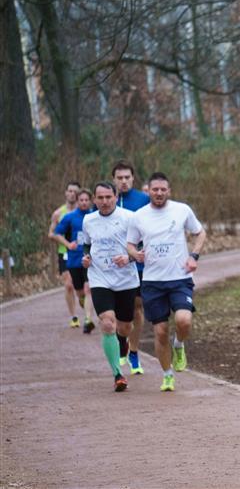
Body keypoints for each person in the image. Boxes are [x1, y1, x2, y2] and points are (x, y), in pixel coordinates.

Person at [126, 172, 206, 392]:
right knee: (160, 332)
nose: (159, 193)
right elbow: (130, 244)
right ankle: (167, 375)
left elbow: (200, 233)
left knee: (184, 321)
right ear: (149, 191)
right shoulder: (139, 216)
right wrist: (135, 254)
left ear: (169, 191)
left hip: (180, 278)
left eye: (163, 189)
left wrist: (194, 256)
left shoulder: (182, 210)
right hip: (153, 282)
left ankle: (179, 344)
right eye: (155, 189)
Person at [81, 182, 140, 392]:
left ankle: (122, 340)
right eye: (100, 198)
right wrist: (86, 257)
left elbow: (142, 245)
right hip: (100, 277)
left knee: (125, 327)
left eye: (108, 197)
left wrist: (129, 258)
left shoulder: (129, 218)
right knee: (107, 323)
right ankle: (118, 375)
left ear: (115, 197)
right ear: (94, 199)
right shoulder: (88, 220)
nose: (104, 201)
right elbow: (87, 244)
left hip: (125, 279)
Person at [112, 160, 150, 375]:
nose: (124, 181)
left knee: (137, 307)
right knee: (118, 314)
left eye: (127, 177)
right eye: (120, 178)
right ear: (114, 179)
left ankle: (134, 352)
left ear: (133, 178)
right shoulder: (107, 200)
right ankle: (122, 342)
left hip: (137, 264)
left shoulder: (143, 200)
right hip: (113, 266)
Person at [52, 188, 97, 333]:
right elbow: (57, 233)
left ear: (91, 201)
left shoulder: (95, 215)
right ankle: (83, 302)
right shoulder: (69, 217)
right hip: (74, 259)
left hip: (90, 258)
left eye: (86, 200)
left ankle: (88, 320)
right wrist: (68, 244)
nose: (84, 202)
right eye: (81, 200)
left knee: (88, 288)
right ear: (77, 201)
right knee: (80, 292)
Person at [48, 182, 80, 328]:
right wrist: (65, 241)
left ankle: (83, 299)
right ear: (66, 193)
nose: (72, 194)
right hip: (64, 253)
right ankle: (74, 317)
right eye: (70, 191)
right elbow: (51, 234)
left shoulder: (84, 211)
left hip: (80, 253)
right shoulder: (58, 213)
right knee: (68, 285)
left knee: (82, 287)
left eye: (75, 191)